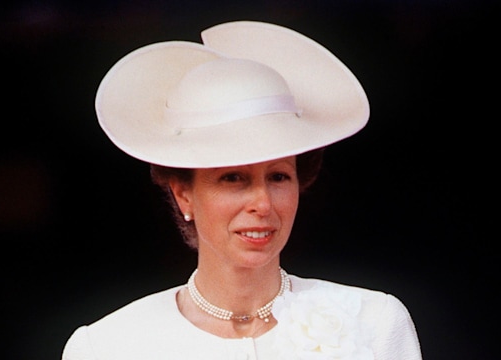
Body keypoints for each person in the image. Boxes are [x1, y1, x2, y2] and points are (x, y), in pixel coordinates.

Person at [62, 21, 422, 360]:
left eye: (279, 177)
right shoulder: (110, 346)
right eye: (233, 178)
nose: (262, 203)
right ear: (183, 194)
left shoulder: (374, 323)